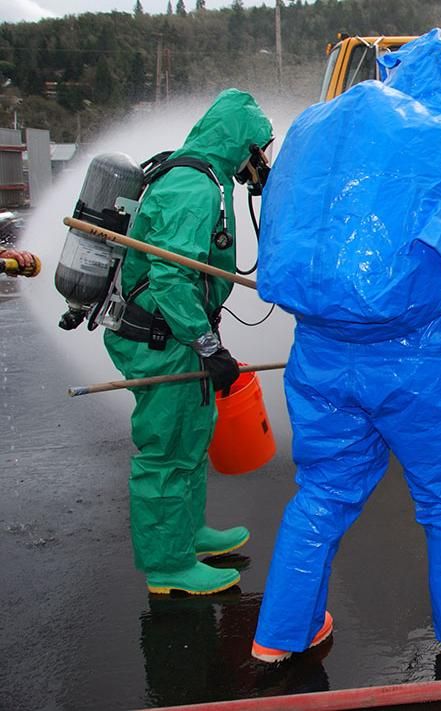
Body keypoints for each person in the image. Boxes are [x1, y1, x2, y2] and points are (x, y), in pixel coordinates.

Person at [250, 29, 441, 663]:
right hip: (423, 364)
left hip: (320, 357)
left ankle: (282, 634)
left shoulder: (311, 130)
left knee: (323, 494)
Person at [103, 89, 274, 595]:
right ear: (239, 141)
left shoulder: (207, 178)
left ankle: (188, 532)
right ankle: (168, 565)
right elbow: (172, 278)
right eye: (259, 148)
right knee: (166, 448)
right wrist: (206, 344)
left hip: (175, 333)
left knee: (191, 435)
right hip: (162, 337)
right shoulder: (192, 187)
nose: (260, 160)